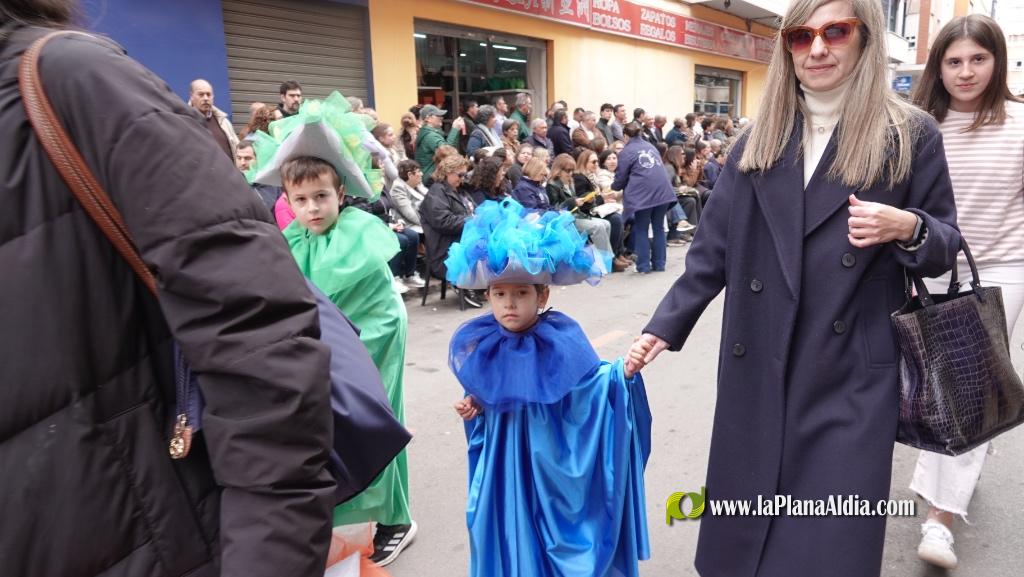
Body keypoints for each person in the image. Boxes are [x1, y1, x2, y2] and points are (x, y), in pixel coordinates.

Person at [625, 1, 961, 575]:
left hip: (849, 374)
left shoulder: (908, 134)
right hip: (758, 366)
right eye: (801, 36)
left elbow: (944, 245)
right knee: (748, 538)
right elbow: (712, 250)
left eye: (835, 31)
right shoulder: (760, 140)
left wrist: (908, 227)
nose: (817, 48)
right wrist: (663, 326)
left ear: (866, 39)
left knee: (827, 547)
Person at [1, 8, 337, 577]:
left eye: (209, 93)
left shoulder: (70, 80)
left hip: (152, 531)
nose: (205, 99)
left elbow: (259, 335)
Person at [250, 92, 416, 565]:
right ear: (288, 201)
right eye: (301, 199)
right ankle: (351, 514)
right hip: (330, 350)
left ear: (341, 193)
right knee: (334, 432)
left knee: (377, 424)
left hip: (373, 341)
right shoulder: (291, 240)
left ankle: (396, 519)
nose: (313, 208)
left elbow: (380, 309)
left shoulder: (359, 235)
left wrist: (351, 354)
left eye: (321, 196)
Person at [445, 198, 651, 577]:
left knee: (556, 528)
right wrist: (475, 403)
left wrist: (621, 373)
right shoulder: (482, 340)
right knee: (505, 524)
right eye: (500, 294)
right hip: (506, 457)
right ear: (487, 295)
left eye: (521, 293)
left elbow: (589, 385)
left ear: (542, 296)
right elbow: (488, 386)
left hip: (550, 454)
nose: (509, 304)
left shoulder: (561, 337)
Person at [908, 14, 1024, 570]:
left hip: (1002, 268)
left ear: (998, 61)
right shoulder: (917, 125)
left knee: (971, 390)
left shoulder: (1021, 123)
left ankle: (939, 519)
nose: (966, 71)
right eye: (954, 61)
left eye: (979, 59)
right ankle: (956, 459)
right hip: (928, 263)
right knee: (933, 381)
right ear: (938, 66)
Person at [611, 122, 676, 273]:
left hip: (643, 194)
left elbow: (620, 179)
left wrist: (613, 188)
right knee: (658, 227)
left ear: (625, 136)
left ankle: (643, 266)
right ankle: (659, 264)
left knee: (642, 228)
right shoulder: (650, 146)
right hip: (663, 191)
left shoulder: (627, 151)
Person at [419, 154, 481, 308]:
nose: (463, 178)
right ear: (447, 172)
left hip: (460, 240)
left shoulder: (458, 190)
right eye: (460, 175)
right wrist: (471, 220)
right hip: (446, 249)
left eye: (464, 174)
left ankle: (485, 285)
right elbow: (444, 222)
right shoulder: (436, 193)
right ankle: (466, 284)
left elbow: (475, 211)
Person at [546, 153, 615, 269]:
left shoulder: (570, 181)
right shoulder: (552, 185)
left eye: (572, 170)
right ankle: (604, 262)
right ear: (559, 170)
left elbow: (575, 201)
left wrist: (588, 200)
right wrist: (574, 202)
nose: (570, 174)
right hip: (565, 220)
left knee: (606, 223)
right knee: (598, 226)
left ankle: (606, 259)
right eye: (568, 171)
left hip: (576, 215)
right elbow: (555, 208)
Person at [575, 149, 628, 271]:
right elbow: (584, 200)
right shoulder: (579, 178)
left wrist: (603, 199)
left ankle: (619, 253)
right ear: (584, 162)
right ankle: (612, 258)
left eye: (597, 162)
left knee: (617, 216)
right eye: (593, 162)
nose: (596, 165)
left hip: (596, 208)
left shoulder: (591, 176)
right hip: (587, 212)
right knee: (615, 220)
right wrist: (602, 199)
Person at [415, 104, 464, 185]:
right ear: (428, 118)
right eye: (438, 115)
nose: (441, 117)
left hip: (430, 176)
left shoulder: (429, 133)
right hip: (431, 179)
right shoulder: (430, 136)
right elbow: (447, 152)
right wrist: (455, 129)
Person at [187, 78, 238, 158]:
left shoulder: (223, 122)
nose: (206, 98)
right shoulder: (184, 121)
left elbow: (237, 148)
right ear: (191, 96)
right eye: (201, 94)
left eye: (208, 94)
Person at [390, 159, 428, 234]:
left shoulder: (417, 183)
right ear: (410, 175)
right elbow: (410, 214)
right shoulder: (398, 188)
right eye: (419, 171)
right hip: (412, 225)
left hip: (428, 218)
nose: (422, 174)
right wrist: (430, 224)